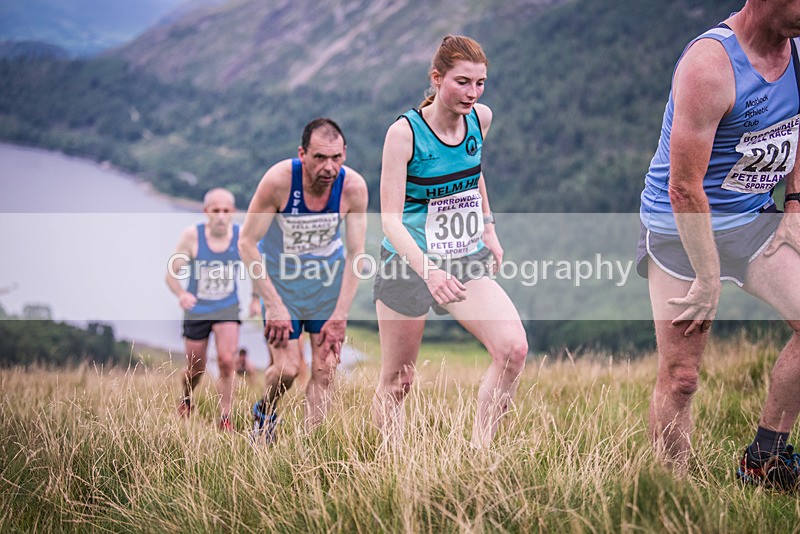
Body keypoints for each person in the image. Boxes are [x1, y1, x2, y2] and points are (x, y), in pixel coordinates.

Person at [638, 2, 800, 487]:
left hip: (752, 220)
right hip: (681, 227)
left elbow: (796, 128)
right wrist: (708, 278)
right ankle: (672, 493)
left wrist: (794, 205)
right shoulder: (709, 64)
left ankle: (764, 460)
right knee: (682, 377)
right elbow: (684, 187)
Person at [371, 35, 528, 449]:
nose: (472, 93)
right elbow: (389, 221)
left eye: (480, 83)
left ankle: (480, 457)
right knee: (398, 381)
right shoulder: (404, 134)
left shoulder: (481, 118)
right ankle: (392, 468)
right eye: (462, 82)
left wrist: (489, 227)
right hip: (407, 262)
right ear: (437, 78)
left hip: (461, 256)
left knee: (513, 350)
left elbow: (472, 172)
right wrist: (429, 271)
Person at [239, 118, 368, 442]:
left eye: (336, 158)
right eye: (320, 158)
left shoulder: (353, 188)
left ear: (345, 154)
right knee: (287, 370)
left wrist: (340, 315)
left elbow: (356, 255)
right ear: (302, 154)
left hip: (327, 288)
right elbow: (246, 243)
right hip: (283, 289)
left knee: (325, 370)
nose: (329, 167)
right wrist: (273, 303)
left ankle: (310, 447)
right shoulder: (279, 181)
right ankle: (264, 413)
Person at [166, 187, 243, 432]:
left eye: (226, 211)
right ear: (206, 212)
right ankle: (187, 398)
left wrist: (255, 299)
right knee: (196, 367)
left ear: (233, 212)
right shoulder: (192, 236)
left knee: (227, 361)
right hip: (198, 310)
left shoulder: (241, 236)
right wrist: (181, 294)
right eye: (215, 210)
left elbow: (259, 268)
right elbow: (171, 273)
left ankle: (225, 417)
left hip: (227, 308)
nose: (221, 216)